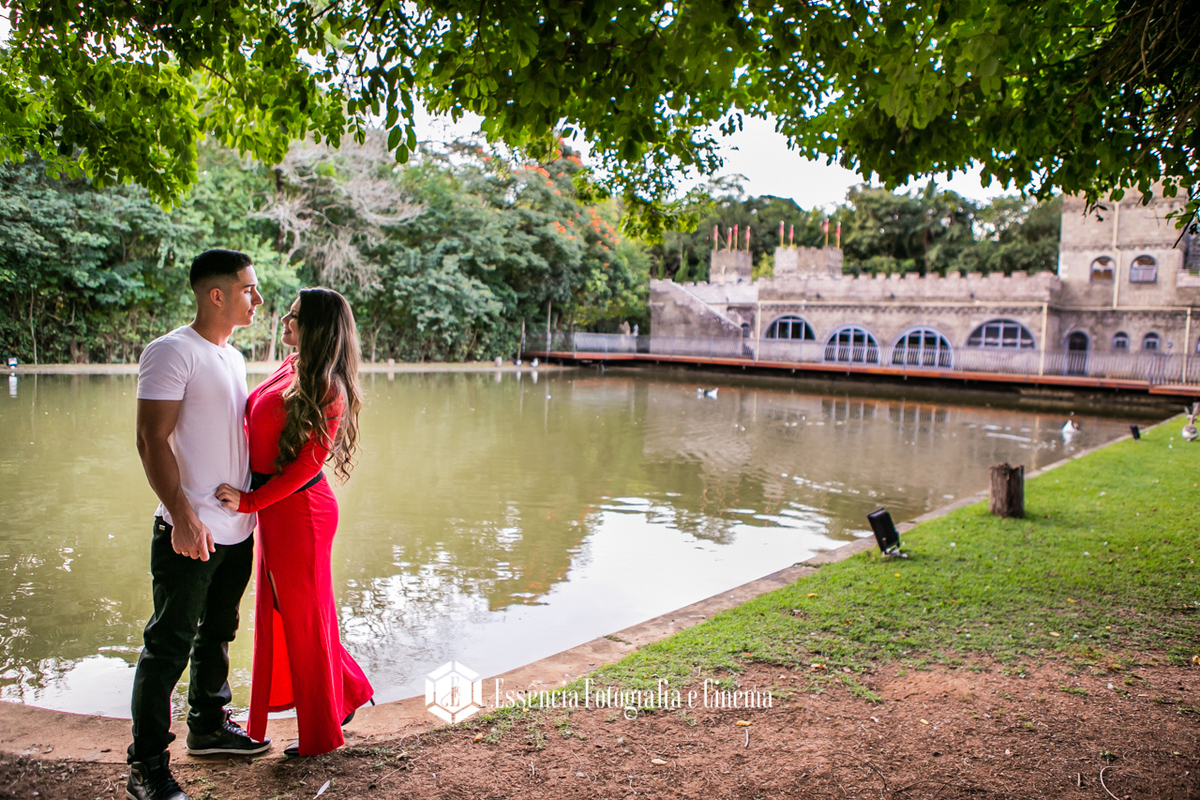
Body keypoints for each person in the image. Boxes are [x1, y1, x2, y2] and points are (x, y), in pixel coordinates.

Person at [129, 250, 271, 800]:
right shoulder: (171, 351)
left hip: (236, 530)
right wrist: (184, 518)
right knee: (168, 646)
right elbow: (151, 440)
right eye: (249, 289)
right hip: (190, 533)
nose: (258, 298)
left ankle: (208, 727)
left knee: (219, 633)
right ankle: (146, 767)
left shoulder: (232, 356)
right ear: (217, 294)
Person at [216, 287, 374, 757]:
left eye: (295, 315)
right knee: (296, 616)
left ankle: (322, 733)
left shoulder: (329, 389)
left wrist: (250, 502)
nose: (285, 320)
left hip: (302, 513)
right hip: (277, 511)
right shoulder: (292, 365)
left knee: (303, 620)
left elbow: (307, 467)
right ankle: (346, 692)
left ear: (317, 328)